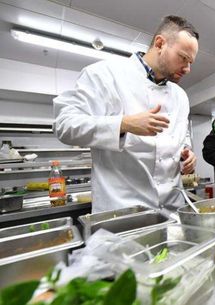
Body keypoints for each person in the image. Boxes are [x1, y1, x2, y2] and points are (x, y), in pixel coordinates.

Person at [53, 15, 199, 212]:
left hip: (172, 210)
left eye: (191, 62)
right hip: (123, 212)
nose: (188, 69)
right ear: (160, 44)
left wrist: (186, 155)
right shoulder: (104, 75)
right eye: (183, 58)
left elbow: (182, 139)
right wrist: (123, 124)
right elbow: (65, 126)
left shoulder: (180, 96)